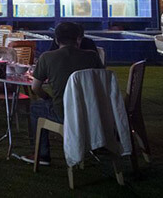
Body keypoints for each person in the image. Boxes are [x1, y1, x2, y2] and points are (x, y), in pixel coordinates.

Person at [21, 22, 104, 166]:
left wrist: (48, 98)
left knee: (35, 107)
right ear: (78, 38)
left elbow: (35, 88)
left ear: (57, 39)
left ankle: (42, 154)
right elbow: (103, 81)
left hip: (63, 113)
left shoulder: (47, 57)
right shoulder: (92, 56)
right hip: (92, 111)